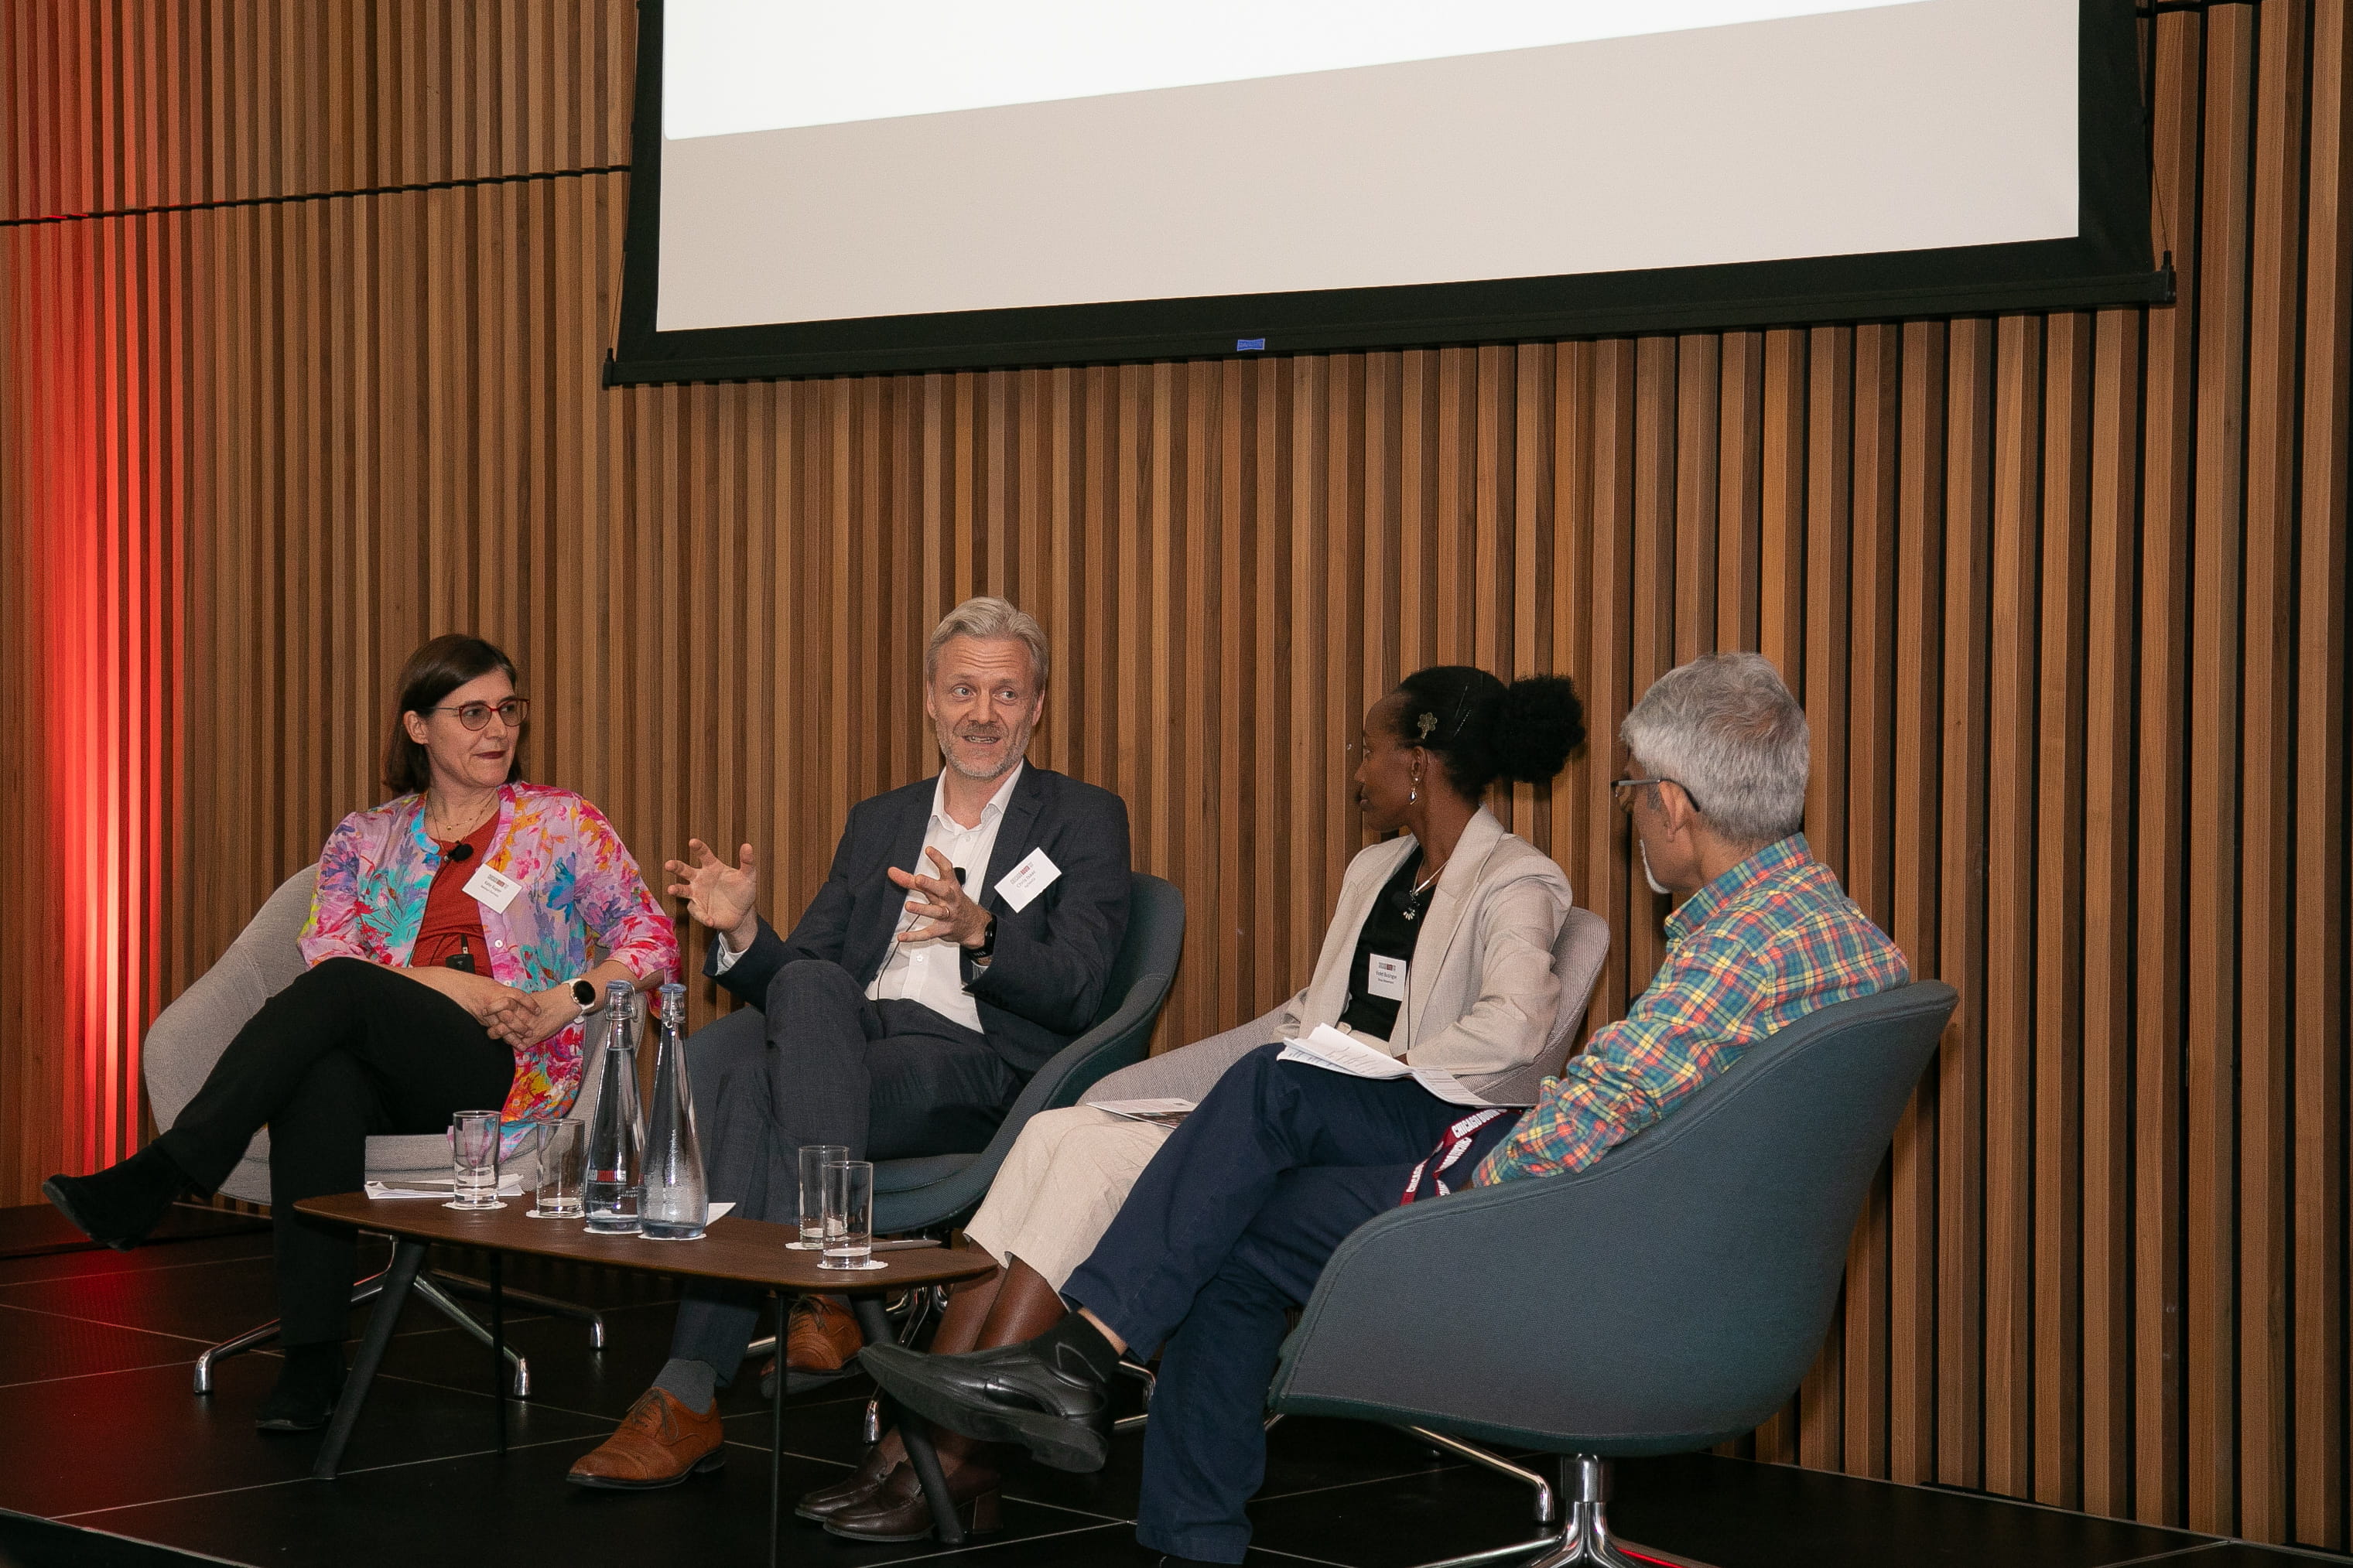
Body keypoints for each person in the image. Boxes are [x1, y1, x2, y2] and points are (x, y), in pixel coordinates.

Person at [862, 651, 1913, 1566]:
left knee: (1254, 1154)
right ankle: (1098, 1391)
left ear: (1674, 804)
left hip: (1566, 1219)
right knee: (1244, 1195)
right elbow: (1640, 1105)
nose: (1628, 808)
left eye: (1632, 789)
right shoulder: (1843, 937)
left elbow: (1587, 1111)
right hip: (1658, 1227)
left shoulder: (1727, 950)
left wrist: (1454, 1191)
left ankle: (1105, 1400)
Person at [805, 665, 1592, 1542]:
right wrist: (1195, 1094)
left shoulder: (1516, 879)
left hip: (1422, 1113)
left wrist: (1376, 1066)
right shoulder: (1374, 868)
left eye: (1367, 749)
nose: (1355, 769)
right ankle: (960, 1434)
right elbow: (1306, 1015)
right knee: (1063, 1131)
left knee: (1255, 1086)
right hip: (1312, 1105)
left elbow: (1516, 1027)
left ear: (1416, 763)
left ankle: (1003, 1413)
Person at [568, 596, 1133, 1493]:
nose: (982, 712)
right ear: (929, 698)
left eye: (1005, 692)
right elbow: (806, 978)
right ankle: (819, 1276)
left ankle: (698, 1383)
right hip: (846, 1046)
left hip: (972, 1058)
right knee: (796, 999)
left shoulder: (1082, 817)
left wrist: (982, 931)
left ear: (1037, 705)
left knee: (745, 1081)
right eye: (963, 689)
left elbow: (1080, 985)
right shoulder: (881, 819)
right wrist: (744, 931)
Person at [42, 634, 678, 1431]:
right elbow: (329, 955)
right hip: (385, 1066)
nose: (497, 729)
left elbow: (652, 939)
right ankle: (312, 1362)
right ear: (418, 726)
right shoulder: (362, 837)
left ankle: (163, 1172)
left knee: (342, 994)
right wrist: (454, 983)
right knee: (322, 1075)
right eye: (472, 713)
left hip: (500, 1066)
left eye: (508, 709)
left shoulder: (561, 822)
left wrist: (564, 998)